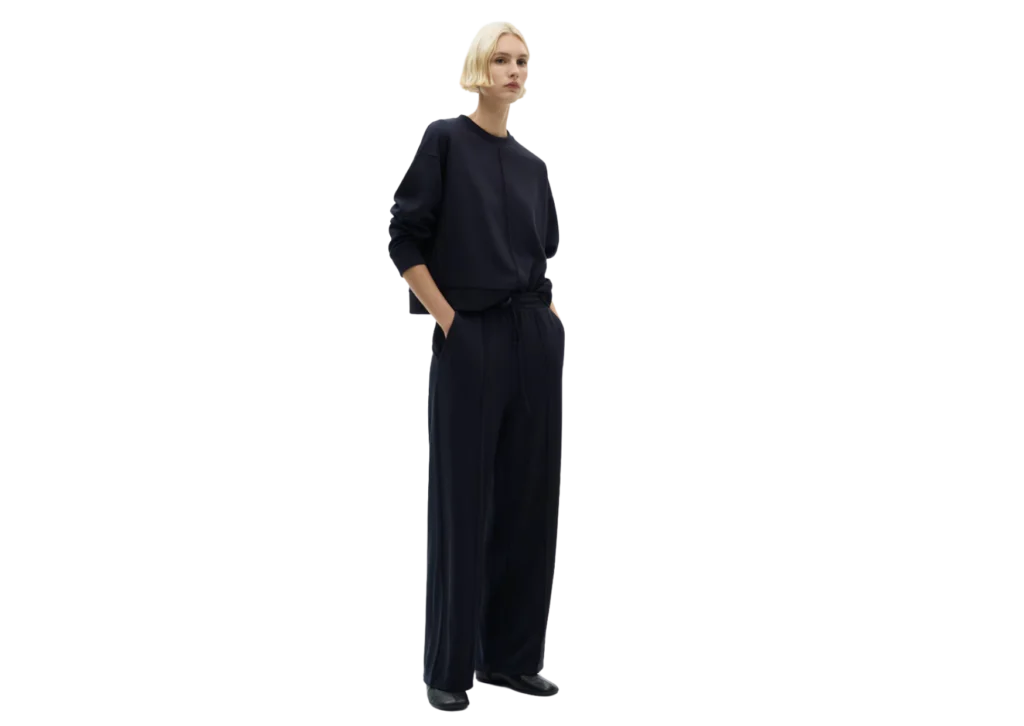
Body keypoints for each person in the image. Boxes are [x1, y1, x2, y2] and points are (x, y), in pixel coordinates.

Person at [387, 20, 563, 712]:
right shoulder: (445, 140)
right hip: (471, 338)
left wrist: (550, 318)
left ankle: (514, 660)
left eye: (522, 61)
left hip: (532, 340)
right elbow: (404, 239)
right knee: (462, 504)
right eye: (501, 60)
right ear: (476, 70)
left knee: (528, 502)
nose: (514, 70)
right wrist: (450, 321)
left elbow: (543, 256)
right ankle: (449, 671)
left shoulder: (533, 165)